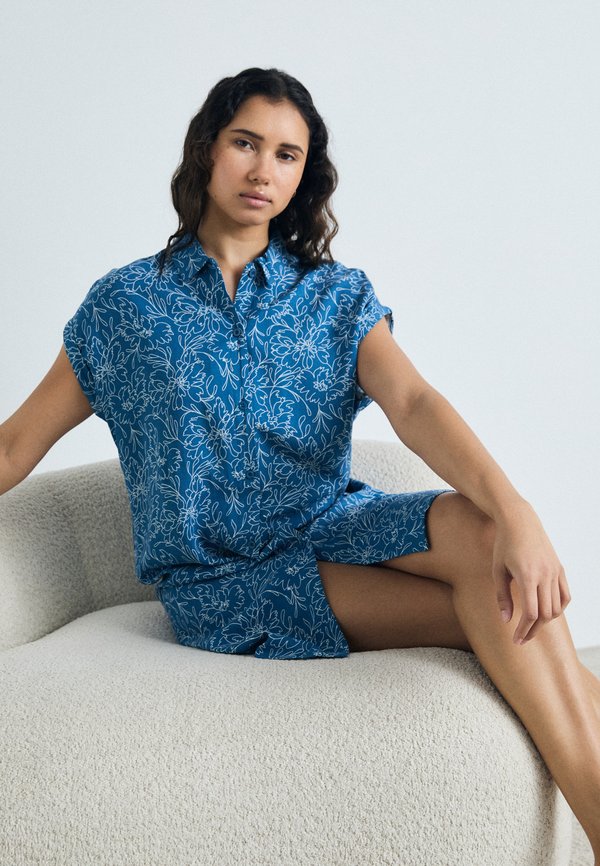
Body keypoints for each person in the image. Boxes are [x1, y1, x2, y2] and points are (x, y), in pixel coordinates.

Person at [1, 66, 599, 858]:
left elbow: (413, 402)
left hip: (331, 523)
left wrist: (519, 513)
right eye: (246, 143)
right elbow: (13, 446)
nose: (263, 170)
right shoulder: (124, 308)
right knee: (503, 608)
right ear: (207, 150)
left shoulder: (334, 296)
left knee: (484, 532)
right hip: (224, 580)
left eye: (286, 155)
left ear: (303, 175)